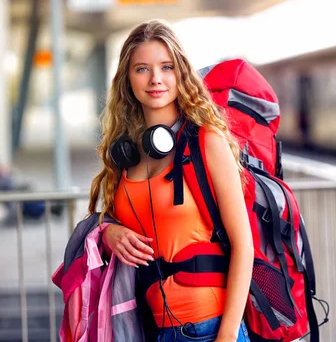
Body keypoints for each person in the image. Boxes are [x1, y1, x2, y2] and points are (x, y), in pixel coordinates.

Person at [87, 19, 254, 342]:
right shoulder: (125, 155)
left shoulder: (206, 141)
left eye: (166, 67)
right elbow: (114, 223)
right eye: (142, 69)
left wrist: (228, 336)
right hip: (151, 328)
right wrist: (109, 233)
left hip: (208, 328)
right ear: (127, 79)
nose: (156, 79)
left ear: (181, 74)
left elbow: (243, 245)